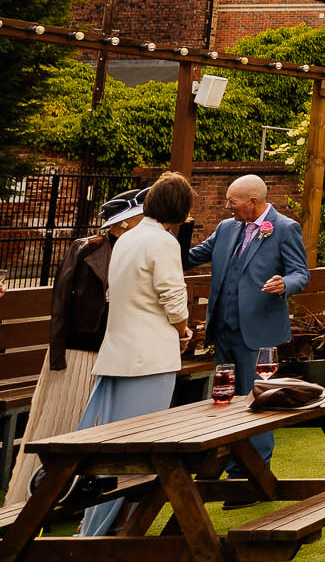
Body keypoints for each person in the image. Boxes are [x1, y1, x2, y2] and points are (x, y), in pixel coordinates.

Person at [5, 189, 144, 507]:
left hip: (113, 353)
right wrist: (58, 356)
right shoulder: (87, 250)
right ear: (122, 223)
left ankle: (83, 496)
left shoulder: (137, 251)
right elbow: (62, 304)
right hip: (79, 353)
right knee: (62, 422)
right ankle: (37, 495)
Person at [78, 173, 194, 537]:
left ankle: (99, 525)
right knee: (139, 452)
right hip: (149, 358)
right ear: (180, 209)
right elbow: (173, 299)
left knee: (111, 447)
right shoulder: (162, 242)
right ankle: (115, 531)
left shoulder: (127, 238)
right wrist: (184, 330)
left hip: (118, 352)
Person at [185, 173, 309, 472]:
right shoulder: (226, 228)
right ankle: (225, 464)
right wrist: (167, 236)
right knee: (224, 398)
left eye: (233, 201)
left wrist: (285, 283)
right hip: (223, 331)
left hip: (259, 334)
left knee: (258, 400)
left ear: (254, 202)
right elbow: (190, 257)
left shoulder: (284, 228)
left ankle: (253, 474)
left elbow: (300, 273)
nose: (227, 206)